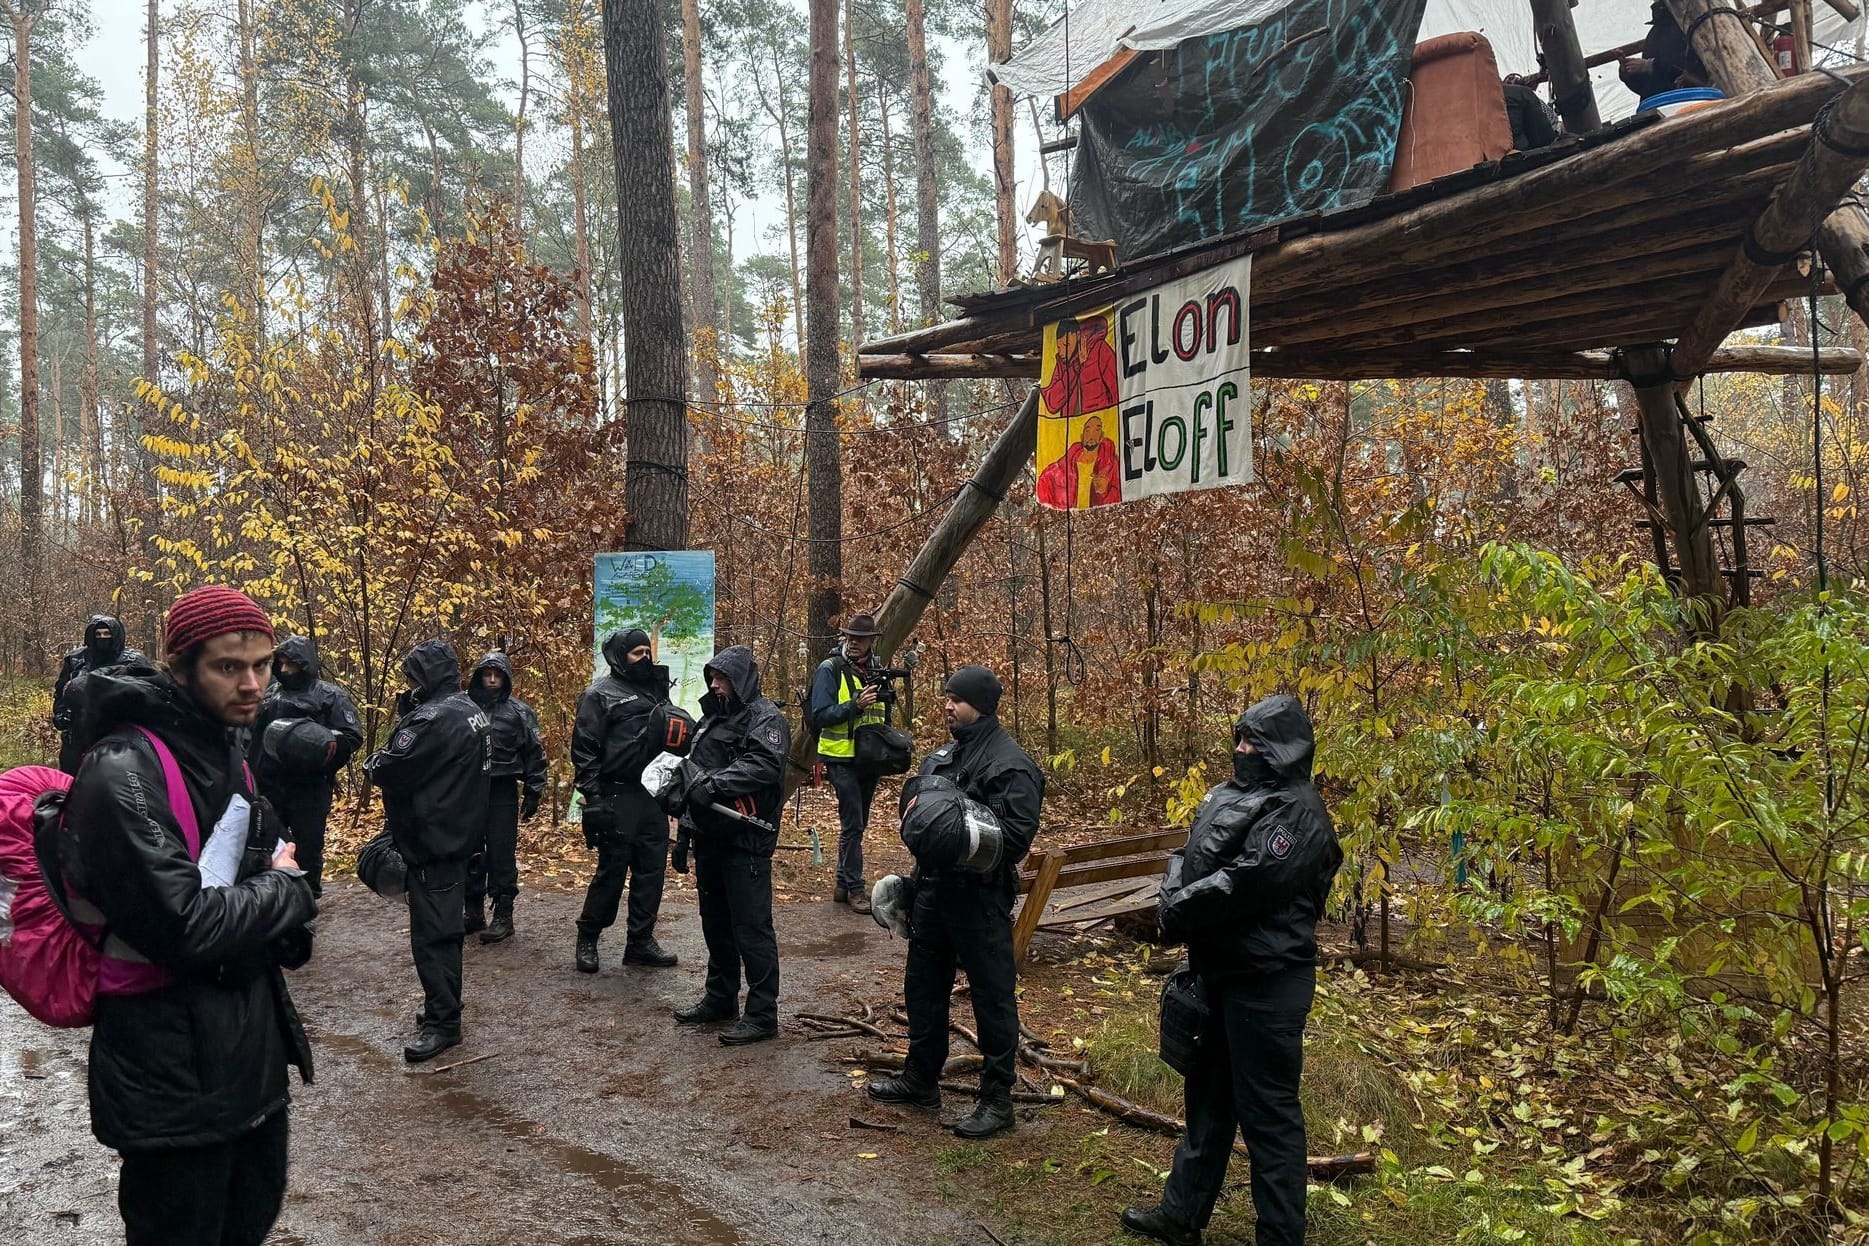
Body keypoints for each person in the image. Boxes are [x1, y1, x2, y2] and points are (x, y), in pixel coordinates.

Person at [59, 586, 316, 1246]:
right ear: (182, 665)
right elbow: (186, 925)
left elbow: (245, 871)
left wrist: (280, 917)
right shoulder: (120, 771)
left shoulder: (230, 750)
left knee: (248, 1221)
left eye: (261, 664)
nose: (253, 683)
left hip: (248, 1057)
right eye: (230, 667)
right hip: (167, 1074)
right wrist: (288, 894)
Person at [1120, 695, 1345, 1246]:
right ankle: (1182, 1215)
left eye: (1255, 743)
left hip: (1267, 980)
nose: (1241, 750)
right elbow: (1189, 854)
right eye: (1240, 738)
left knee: (1268, 1113)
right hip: (1217, 971)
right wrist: (1174, 896)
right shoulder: (1229, 794)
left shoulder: (1299, 812)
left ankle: (1279, 1234)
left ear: (1284, 750)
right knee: (1208, 1098)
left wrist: (1175, 909)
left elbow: (1247, 882)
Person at [868, 665, 1043, 1139]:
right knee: (922, 986)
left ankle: (997, 1099)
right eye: (947, 696)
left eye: (956, 699)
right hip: (931, 890)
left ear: (981, 705)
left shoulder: (1011, 763)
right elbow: (918, 809)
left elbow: (1015, 838)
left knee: (992, 997)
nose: (947, 705)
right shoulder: (943, 755)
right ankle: (921, 1079)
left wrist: (960, 830)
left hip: (980, 897)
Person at [367, 638, 492, 1063]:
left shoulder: (434, 718)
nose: (410, 684)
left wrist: (378, 757)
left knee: (434, 936)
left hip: (433, 839)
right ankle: (442, 1009)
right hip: (457, 834)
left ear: (427, 676)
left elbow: (388, 767)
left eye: (414, 676)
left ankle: (444, 1022)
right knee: (443, 930)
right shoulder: (470, 709)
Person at [671, 645, 788, 1046]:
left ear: (740, 680)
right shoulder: (710, 719)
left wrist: (713, 786)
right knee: (715, 923)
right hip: (709, 838)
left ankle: (762, 1013)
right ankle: (720, 998)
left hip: (746, 838)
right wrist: (685, 832)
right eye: (712, 678)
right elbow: (692, 777)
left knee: (751, 928)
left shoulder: (765, 718)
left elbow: (764, 765)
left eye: (721, 678)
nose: (715, 685)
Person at [572, 628, 681, 972]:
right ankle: (588, 936)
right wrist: (594, 797)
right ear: (619, 657)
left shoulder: (656, 690)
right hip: (615, 793)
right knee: (612, 871)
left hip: (652, 795)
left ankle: (640, 941)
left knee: (652, 869)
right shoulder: (599, 695)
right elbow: (584, 749)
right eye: (636, 653)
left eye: (647, 651)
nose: (645, 658)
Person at [250, 635, 364, 899]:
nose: (286, 669)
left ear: (307, 664)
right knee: (268, 844)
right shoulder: (267, 693)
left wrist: (322, 747)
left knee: (309, 846)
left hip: (309, 788)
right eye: (282, 663)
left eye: (293, 663)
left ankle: (307, 897)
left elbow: (351, 736)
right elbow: (248, 735)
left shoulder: (328, 695)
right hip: (267, 785)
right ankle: (272, 897)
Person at [809, 612, 892, 915]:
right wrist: (853, 706)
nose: (854, 643)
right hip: (839, 757)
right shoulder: (829, 670)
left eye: (860, 639)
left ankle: (842, 885)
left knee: (856, 825)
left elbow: (884, 715)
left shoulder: (876, 670)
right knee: (853, 823)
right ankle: (856, 888)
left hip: (868, 759)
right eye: (850, 637)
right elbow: (819, 716)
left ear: (871, 641)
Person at [464, 651, 547, 943]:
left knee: (501, 852)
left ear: (506, 678)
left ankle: (503, 916)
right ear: (477, 676)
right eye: (486, 674)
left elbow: (534, 752)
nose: (491, 679)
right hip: (467, 789)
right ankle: (472, 912)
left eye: (497, 674)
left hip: (502, 788)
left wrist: (534, 789)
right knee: (468, 851)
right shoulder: (462, 708)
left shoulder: (519, 712)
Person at [52, 613, 144, 774]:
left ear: (115, 635)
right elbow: (61, 691)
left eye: (107, 634)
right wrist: (60, 713)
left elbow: (143, 695)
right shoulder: (76, 659)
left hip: (115, 732)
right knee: (70, 778)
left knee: (109, 778)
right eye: (99, 634)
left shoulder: (132, 660)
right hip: (77, 731)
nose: (102, 638)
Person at [1620, 1, 1707, 101]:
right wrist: (1628, 72)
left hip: (1692, 100)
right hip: (1659, 105)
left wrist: (1650, 65)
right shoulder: (1654, 34)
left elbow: (1687, 71)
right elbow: (1647, 87)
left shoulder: (1690, 27)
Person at [1501, 74, 1558, 151]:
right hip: (1527, 152)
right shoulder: (1522, 94)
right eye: (1510, 78)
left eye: (1513, 78)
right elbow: (1544, 138)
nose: (1511, 80)